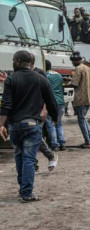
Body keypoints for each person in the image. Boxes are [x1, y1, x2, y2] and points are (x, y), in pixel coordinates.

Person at [0, 51, 58, 202]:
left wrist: (1, 124)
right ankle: (26, 193)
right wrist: (55, 119)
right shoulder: (41, 79)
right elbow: (51, 101)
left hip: (14, 125)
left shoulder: (11, 79)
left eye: (14, 60)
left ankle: (23, 189)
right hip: (32, 124)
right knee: (29, 158)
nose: (13, 62)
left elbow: (6, 104)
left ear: (19, 61)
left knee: (19, 156)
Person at [67, 51, 90, 148]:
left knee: (81, 120)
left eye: (72, 61)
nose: (72, 63)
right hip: (88, 97)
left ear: (76, 61)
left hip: (80, 98)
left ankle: (87, 142)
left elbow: (74, 84)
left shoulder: (78, 68)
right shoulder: (86, 67)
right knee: (83, 119)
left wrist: (65, 85)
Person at [44, 60, 66, 152]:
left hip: (51, 102)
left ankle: (54, 144)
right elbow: (62, 86)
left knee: (50, 124)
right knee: (59, 123)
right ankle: (62, 144)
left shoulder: (45, 76)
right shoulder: (59, 75)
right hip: (61, 102)